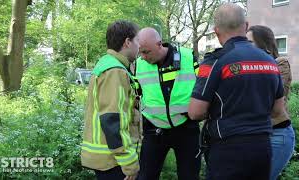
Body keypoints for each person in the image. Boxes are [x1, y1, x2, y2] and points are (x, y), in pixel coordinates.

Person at [188, 3, 286, 180]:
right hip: (262, 148)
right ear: (246, 26)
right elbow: (278, 110)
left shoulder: (213, 62)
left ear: (216, 31)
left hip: (228, 150)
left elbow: (195, 112)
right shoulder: (270, 61)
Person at [136, 27, 201, 180]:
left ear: (159, 44)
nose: (143, 57)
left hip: (186, 127)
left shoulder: (187, 57)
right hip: (154, 129)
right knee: (145, 176)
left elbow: (202, 88)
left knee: (189, 176)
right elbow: (136, 94)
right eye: (141, 52)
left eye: (146, 52)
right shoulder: (139, 64)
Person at [80, 20, 140, 180]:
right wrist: (129, 164)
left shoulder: (107, 65)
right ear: (128, 42)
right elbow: (113, 120)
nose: (139, 47)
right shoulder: (115, 71)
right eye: (137, 41)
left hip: (108, 159)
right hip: (114, 163)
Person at [246, 25, 295, 180]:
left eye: (250, 42)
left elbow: (267, 95)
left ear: (264, 44)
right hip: (256, 135)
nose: (245, 47)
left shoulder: (281, 63)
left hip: (276, 135)